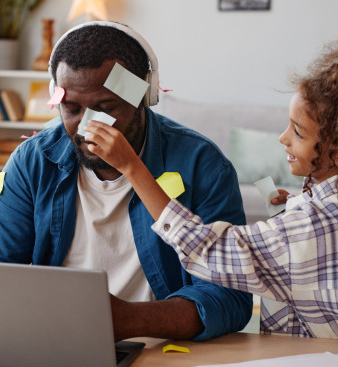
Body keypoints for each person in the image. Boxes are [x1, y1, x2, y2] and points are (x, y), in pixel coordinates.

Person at [0, 21, 252, 342]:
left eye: (106, 108)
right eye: (72, 108)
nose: (87, 127)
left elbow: (231, 298)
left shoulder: (203, 165)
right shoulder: (32, 161)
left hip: (161, 348)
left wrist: (130, 320)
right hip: (60, 340)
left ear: (143, 97)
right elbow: (5, 272)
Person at [81, 42, 338, 338]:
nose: (282, 138)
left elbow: (212, 252)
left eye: (298, 131)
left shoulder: (314, 222)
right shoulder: (316, 211)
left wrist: (133, 167)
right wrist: (291, 210)